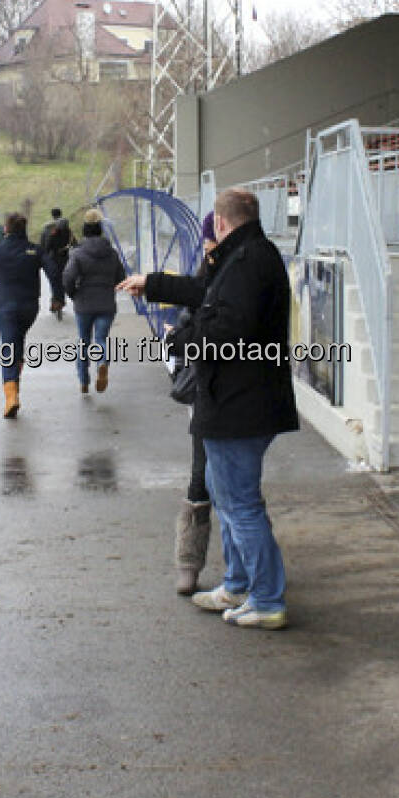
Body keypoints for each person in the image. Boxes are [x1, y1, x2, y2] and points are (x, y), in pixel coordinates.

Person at [119, 187, 298, 630]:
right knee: (226, 495)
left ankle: (267, 599)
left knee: (240, 503)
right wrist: (155, 282)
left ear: (220, 222)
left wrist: (179, 341)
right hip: (236, 399)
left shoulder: (249, 261)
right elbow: (205, 292)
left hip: (241, 403)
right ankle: (238, 585)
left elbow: (228, 328)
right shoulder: (245, 255)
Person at [173, 211, 219, 594]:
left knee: (236, 487)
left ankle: (249, 570)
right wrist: (180, 336)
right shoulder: (206, 274)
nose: (209, 246)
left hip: (236, 393)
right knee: (201, 475)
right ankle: (189, 562)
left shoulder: (243, 273)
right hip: (205, 392)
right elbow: (191, 318)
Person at [0, 211, 43, 418]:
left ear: (6, 229)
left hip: (8, 309)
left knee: (9, 349)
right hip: (30, 309)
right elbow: (52, 270)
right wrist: (58, 295)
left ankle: (10, 396)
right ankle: (15, 388)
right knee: (17, 345)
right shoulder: (34, 250)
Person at [63, 208, 123, 395]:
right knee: (101, 339)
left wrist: (74, 294)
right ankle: (102, 362)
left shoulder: (78, 253)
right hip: (106, 303)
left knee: (84, 341)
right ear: (100, 231)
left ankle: (83, 381)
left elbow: (68, 277)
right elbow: (121, 277)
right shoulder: (112, 253)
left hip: (84, 304)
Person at [38, 207, 72, 319]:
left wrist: (43, 257)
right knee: (62, 281)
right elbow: (74, 243)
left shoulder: (47, 229)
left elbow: (44, 246)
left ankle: (56, 302)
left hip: (52, 260)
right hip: (65, 259)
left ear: (52, 216)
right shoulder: (68, 229)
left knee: (54, 281)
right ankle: (60, 301)